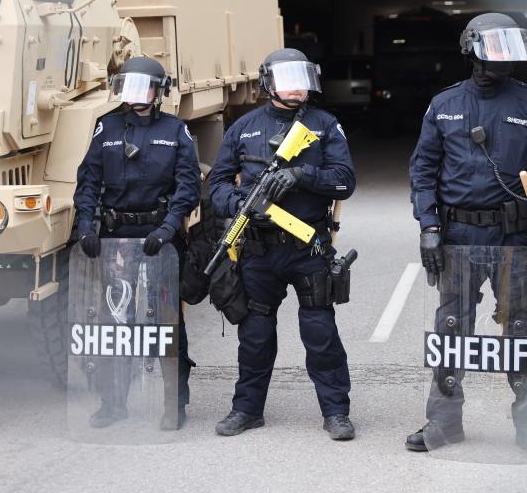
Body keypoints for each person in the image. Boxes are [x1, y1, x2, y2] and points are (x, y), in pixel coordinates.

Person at [408, 12, 527, 462]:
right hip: (457, 236)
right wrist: (428, 226)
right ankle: (444, 423)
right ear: (472, 49)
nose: (504, 56)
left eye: (510, 47)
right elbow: (423, 170)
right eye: (495, 47)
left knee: (522, 331)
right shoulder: (444, 104)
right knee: (451, 330)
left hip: (515, 236)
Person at [207, 48, 357, 441]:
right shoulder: (244, 127)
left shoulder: (325, 125)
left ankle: (336, 412)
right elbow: (216, 186)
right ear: (268, 84)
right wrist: (241, 204)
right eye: (289, 81)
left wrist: (301, 175)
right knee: (255, 335)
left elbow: (345, 180)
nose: (298, 89)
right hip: (259, 249)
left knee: (320, 333)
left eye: (303, 80)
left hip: (308, 246)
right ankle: (246, 409)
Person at [73, 56, 201, 430]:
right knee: (117, 324)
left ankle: (173, 405)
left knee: (165, 324)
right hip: (116, 240)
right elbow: (89, 181)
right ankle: (112, 404)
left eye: (143, 86)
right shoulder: (106, 127)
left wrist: (169, 227)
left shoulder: (176, 130)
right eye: (128, 86)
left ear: (158, 91)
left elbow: (188, 185)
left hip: (159, 240)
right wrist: (85, 226)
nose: (134, 95)